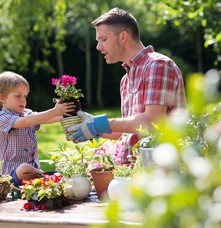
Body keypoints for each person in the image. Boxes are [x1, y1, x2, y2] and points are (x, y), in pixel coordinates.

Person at [67, 8, 186, 163]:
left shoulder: (157, 65)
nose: (98, 47)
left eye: (103, 39)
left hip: (159, 174)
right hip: (130, 175)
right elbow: (127, 132)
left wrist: (99, 124)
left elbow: (152, 122)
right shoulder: (126, 80)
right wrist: (89, 127)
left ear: (123, 37)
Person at [0, 71, 75, 187]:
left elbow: (46, 118)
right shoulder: (2, 118)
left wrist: (67, 112)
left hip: (31, 172)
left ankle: (44, 177)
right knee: (23, 168)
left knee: (27, 169)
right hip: (12, 176)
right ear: (2, 98)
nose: (23, 100)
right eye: (18, 96)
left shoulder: (27, 113)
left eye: (25, 96)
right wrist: (54, 111)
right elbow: (27, 121)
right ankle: (47, 176)